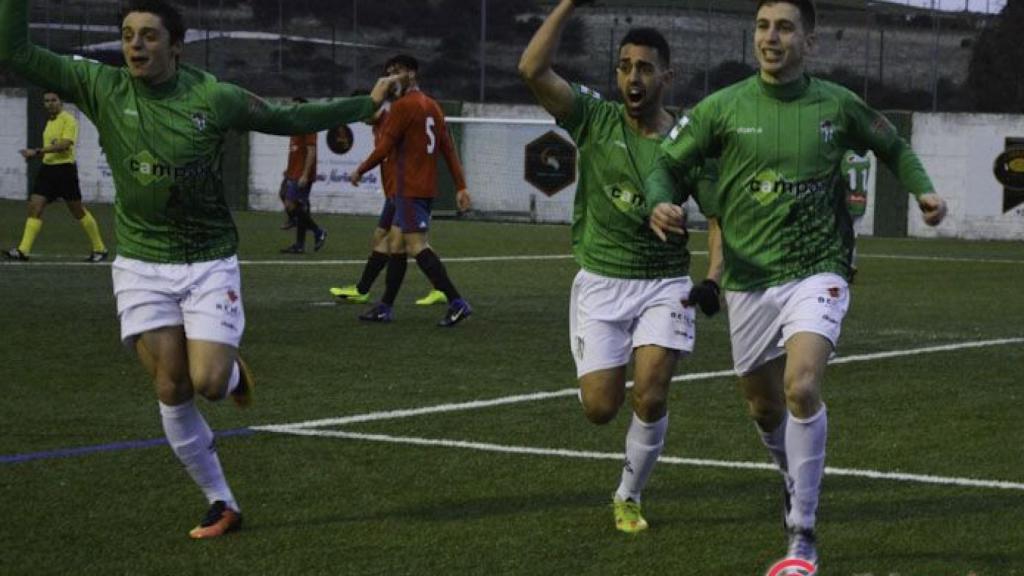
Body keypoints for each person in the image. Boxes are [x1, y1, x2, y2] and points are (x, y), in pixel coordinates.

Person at [0, 0, 396, 539]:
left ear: (176, 46)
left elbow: (288, 118)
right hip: (141, 263)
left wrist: (364, 104)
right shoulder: (100, 86)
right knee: (171, 385)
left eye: (149, 36)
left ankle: (232, 372)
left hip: (208, 260)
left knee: (208, 382)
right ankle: (221, 501)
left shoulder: (214, 97)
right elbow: (14, 50)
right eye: (127, 35)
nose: (135, 45)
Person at [646, 0, 948, 566]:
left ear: (809, 40)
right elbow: (668, 162)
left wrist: (923, 189)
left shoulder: (837, 104)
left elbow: (893, 145)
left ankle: (802, 535)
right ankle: (793, 476)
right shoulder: (721, 108)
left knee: (801, 386)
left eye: (785, 28)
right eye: (763, 26)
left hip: (819, 268)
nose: (771, 37)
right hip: (748, 280)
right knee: (764, 409)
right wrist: (660, 199)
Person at [519, 0, 715, 534]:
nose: (633, 76)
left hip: (664, 283)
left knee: (650, 392)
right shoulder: (593, 118)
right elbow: (532, 70)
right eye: (625, 66)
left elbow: (718, 215)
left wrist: (714, 276)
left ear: (666, 77)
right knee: (600, 408)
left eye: (645, 67)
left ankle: (628, 495)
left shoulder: (690, 141)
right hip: (601, 281)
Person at [348, 54, 472, 327]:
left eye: (399, 71)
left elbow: (384, 149)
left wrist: (360, 169)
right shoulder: (433, 106)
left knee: (416, 246)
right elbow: (448, 150)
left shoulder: (402, 107)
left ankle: (457, 302)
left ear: (413, 73)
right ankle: (385, 307)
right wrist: (460, 185)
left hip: (408, 189)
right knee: (395, 244)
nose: (393, 77)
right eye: (389, 72)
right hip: (422, 188)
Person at [330, 94, 447, 307]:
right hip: (395, 193)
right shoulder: (380, 125)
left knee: (407, 244)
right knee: (389, 239)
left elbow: (389, 155)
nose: (361, 119)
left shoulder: (391, 121)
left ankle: (367, 292)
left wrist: (361, 170)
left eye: (363, 113)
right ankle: (439, 290)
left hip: (403, 192)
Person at [5, 91, 108, 262]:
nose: (50, 103)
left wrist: (37, 151)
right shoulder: (49, 122)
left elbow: (65, 145)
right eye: (46, 101)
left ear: (60, 102)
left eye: (54, 100)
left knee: (78, 211)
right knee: (34, 207)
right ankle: (23, 250)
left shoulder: (68, 119)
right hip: (47, 170)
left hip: (64, 171)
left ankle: (100, 249)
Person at [279, 96, 327, 254]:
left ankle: (318, 231)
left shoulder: (308, 125)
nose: (293, 109)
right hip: (293, 171)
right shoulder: (295, 125)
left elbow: (311, 152)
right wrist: (288, 170)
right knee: (290, 200)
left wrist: (305, 174)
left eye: (296, 107)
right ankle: (299, 245)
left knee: (291, 204)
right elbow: (295, 151)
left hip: (301, 173)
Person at [842, 149, 871, 277]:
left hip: (847, 201)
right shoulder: (867, 161)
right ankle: (851, 265)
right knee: (853, 236)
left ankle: (845, 265)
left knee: (842, 236)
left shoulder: (845, 158)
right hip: (861, 202)